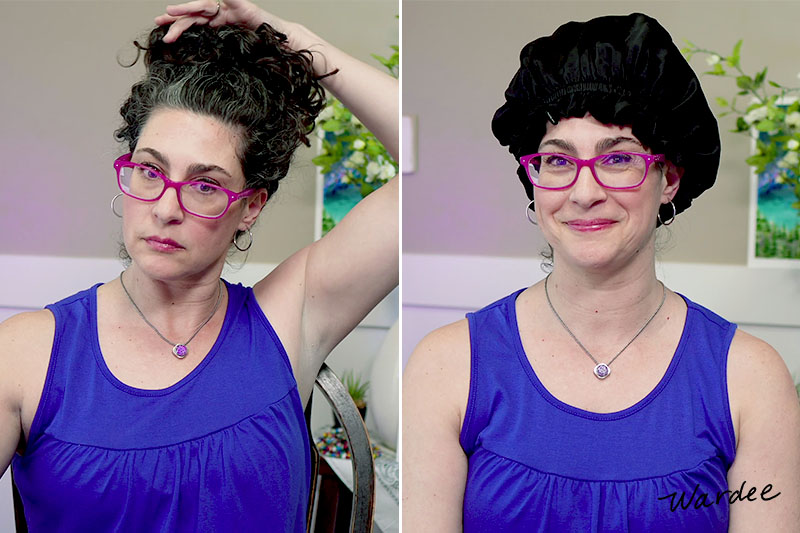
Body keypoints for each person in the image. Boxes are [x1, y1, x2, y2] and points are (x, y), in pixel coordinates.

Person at [0, 0, 397, 530]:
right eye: (149, 170)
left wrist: (285, 34)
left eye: (205, 185)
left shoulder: (290, 316)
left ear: (249, 207)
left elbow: (426, 162)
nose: (166, 207)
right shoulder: (27, 352)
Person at [403, 12, 800, 532]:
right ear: (534, 179)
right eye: (558, 160)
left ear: (670, 178)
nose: (584, 192)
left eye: (618, 160)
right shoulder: (447, 365)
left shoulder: (751, 379)